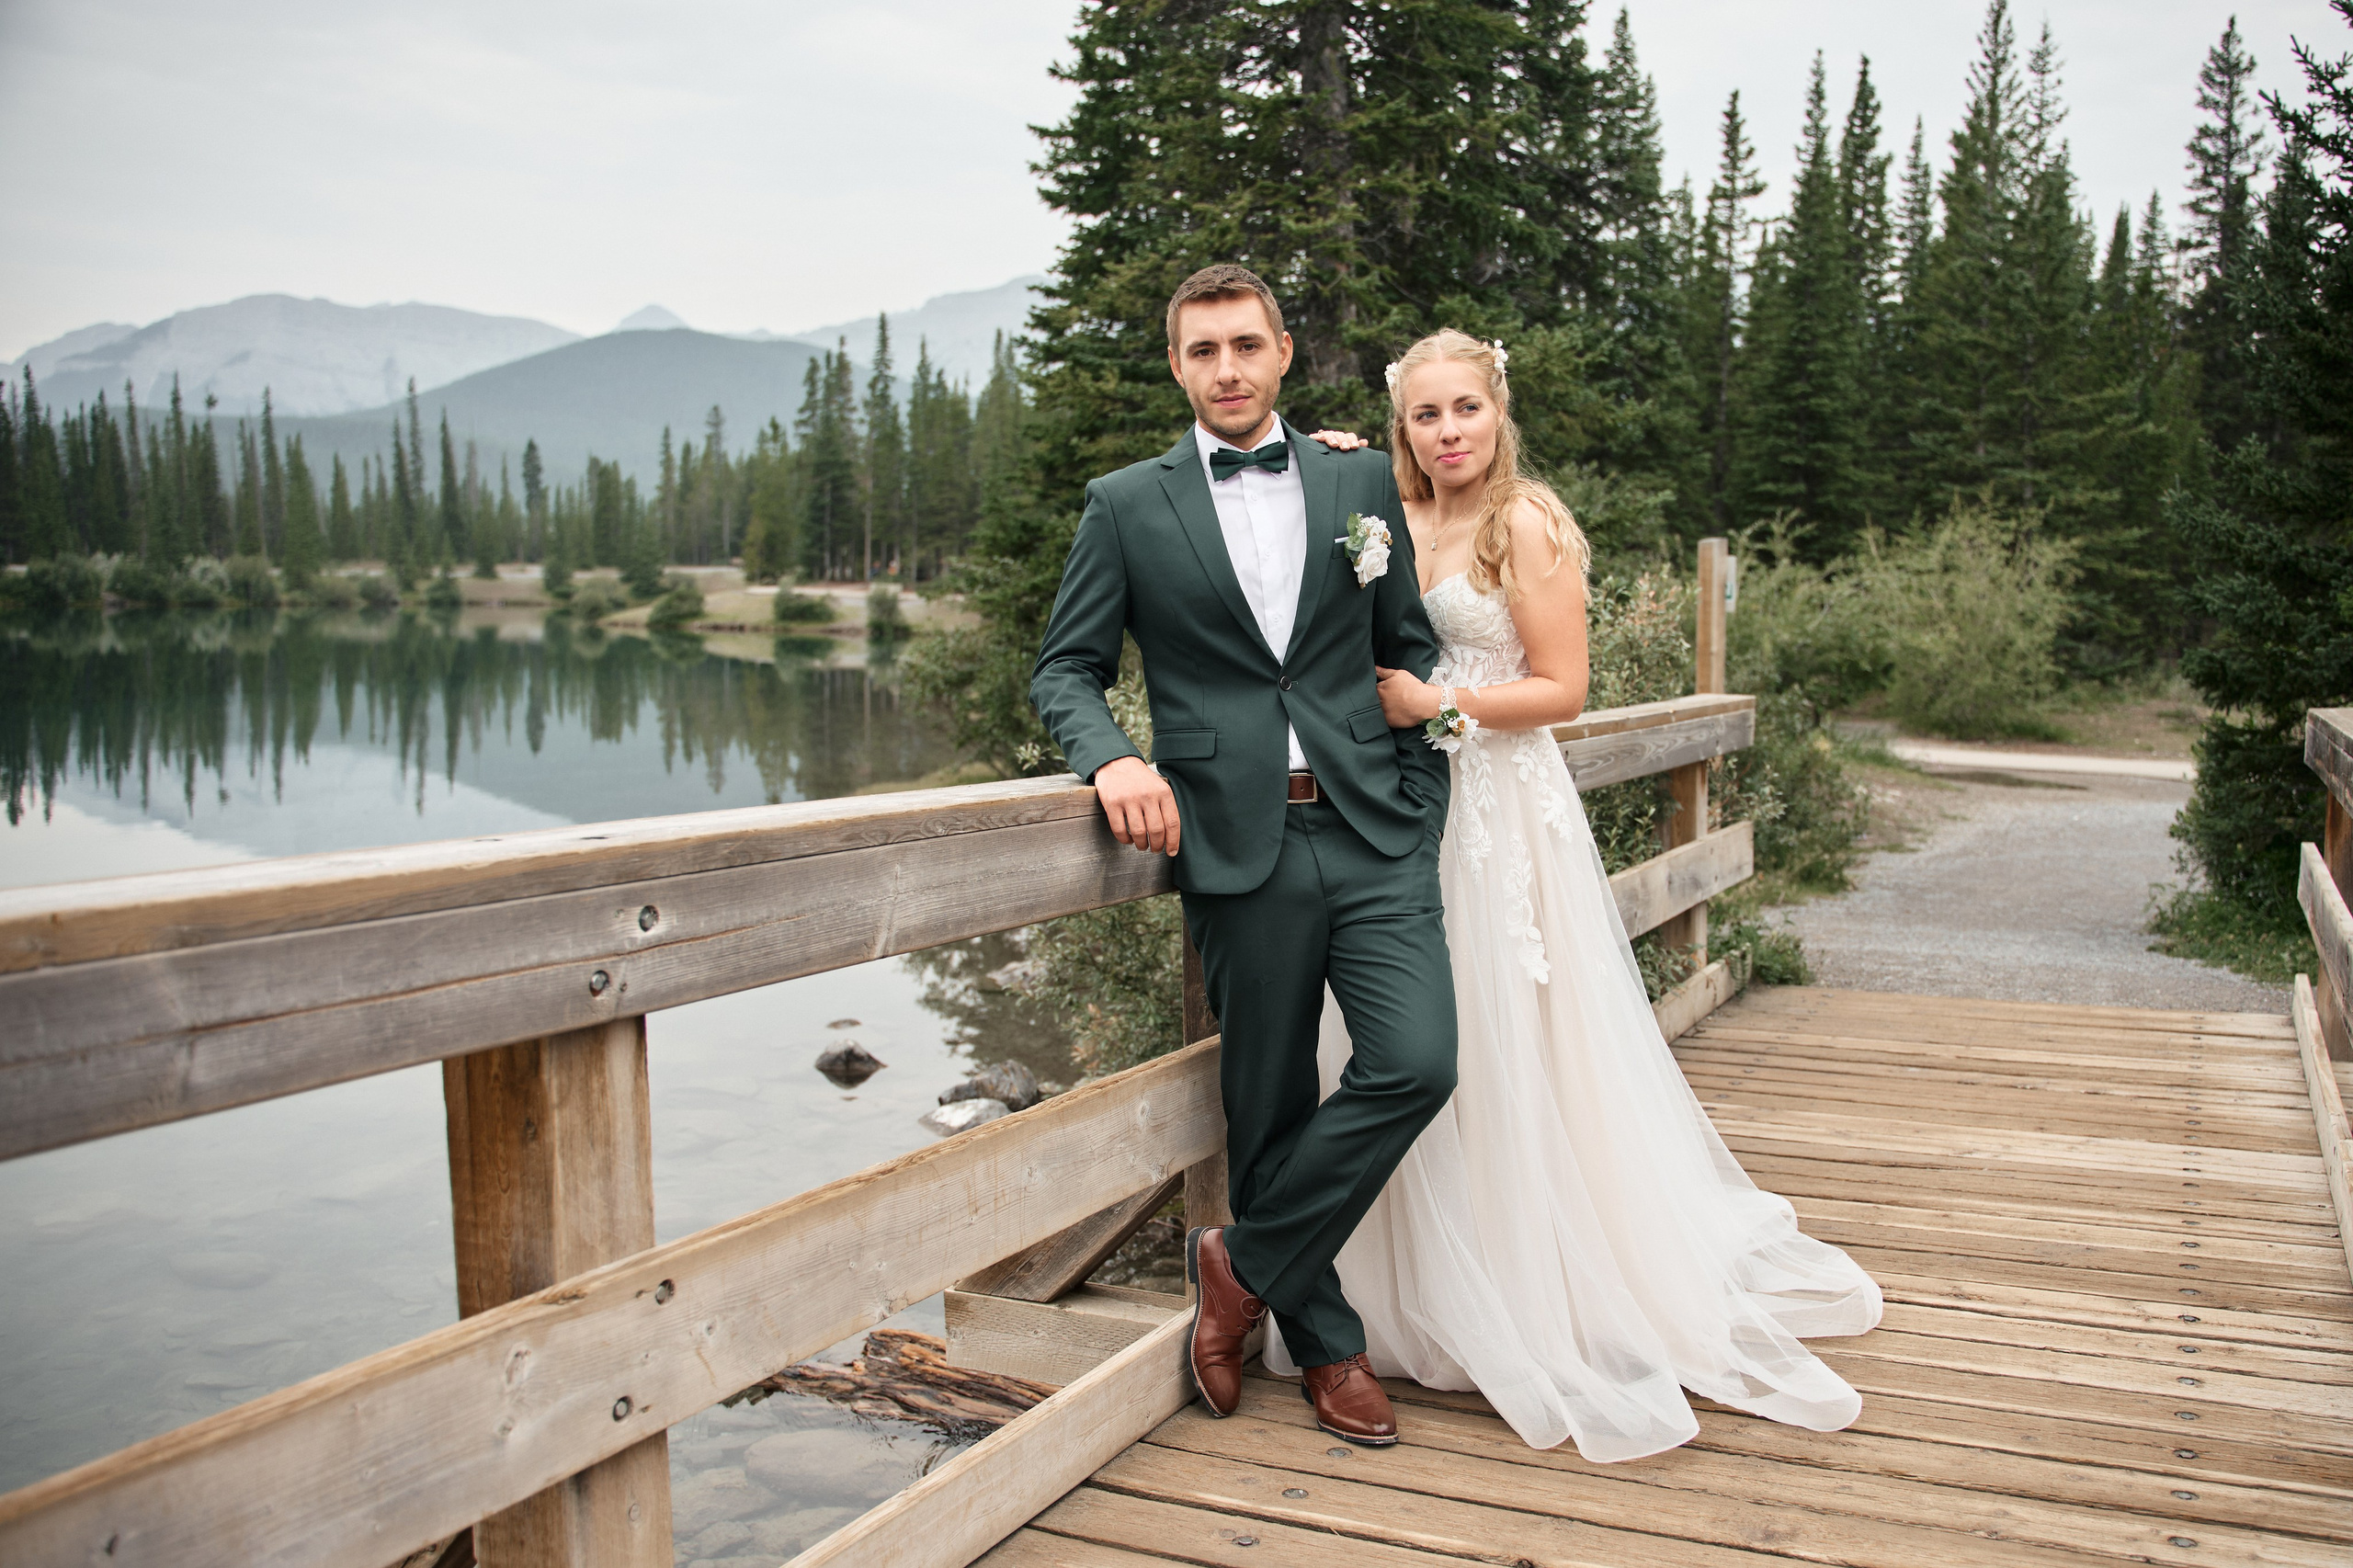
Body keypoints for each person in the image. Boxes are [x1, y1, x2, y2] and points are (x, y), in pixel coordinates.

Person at [1274, 328, 1882, 1460]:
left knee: (1508, 1031)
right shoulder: (1389, 517)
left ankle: (1524, 1280)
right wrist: (1324, 466)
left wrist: (1436, 710)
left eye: (1465, 410)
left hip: (1499, 809)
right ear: (1399, 425)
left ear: (1496, 410)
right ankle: (1399, 1285)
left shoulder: (1525, 523)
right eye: (1423, 416)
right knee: (1397, 1030)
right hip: (1398, 813)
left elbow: (1562, 687)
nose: (1447, 432)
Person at [1031, 265, 1458, 1449]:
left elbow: (1404, 643)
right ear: (1176, 366)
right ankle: (1325, 1346)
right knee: (1265, 1106)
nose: (1225, 368)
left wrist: (1418, 791)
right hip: (1234, 840)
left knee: (1417, 1059)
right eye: (1201, 350)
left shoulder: (1358, 478)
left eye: (1244, 346)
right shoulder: (1125, 502)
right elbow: (1064, 666)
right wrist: (1112, 760)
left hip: (1372, 827)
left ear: (1281, 353)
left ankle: (1239, 1263)